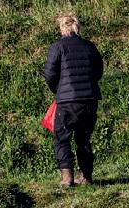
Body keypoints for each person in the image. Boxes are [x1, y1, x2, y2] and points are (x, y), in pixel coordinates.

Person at [44, 13, 104, 187]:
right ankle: (85, 176)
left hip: (67, 100)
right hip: (89, 99)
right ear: (78, 27)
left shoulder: (58, 46)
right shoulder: (90, 46)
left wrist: (58, 90)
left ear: (62, 28)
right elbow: (98, 71)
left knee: (61, 138)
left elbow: (49, 74)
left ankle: (67, 177)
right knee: (83, 139)